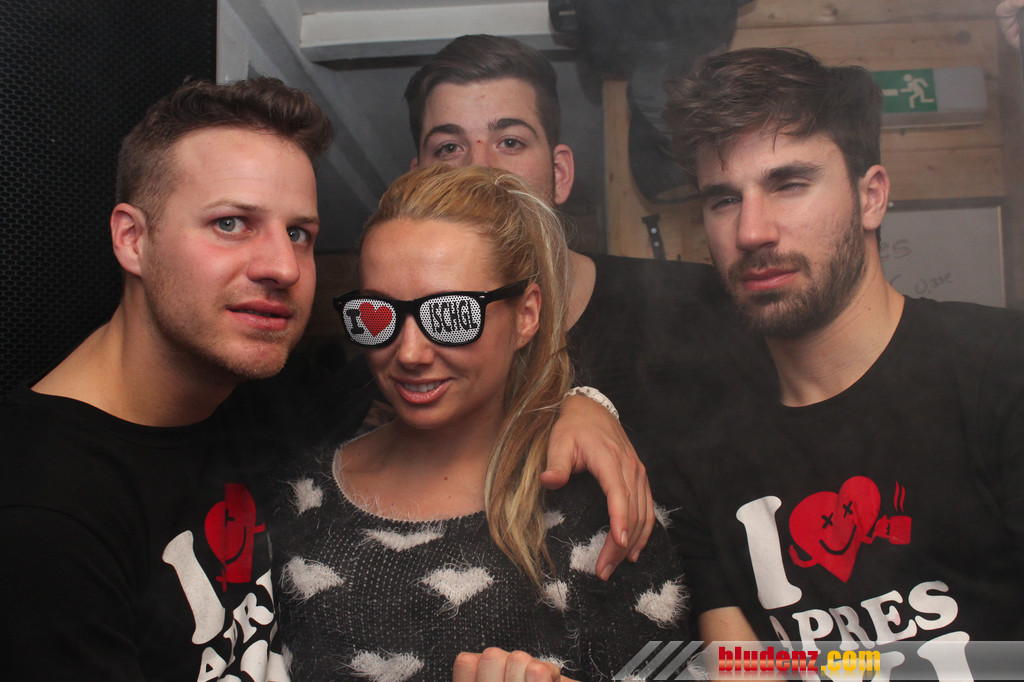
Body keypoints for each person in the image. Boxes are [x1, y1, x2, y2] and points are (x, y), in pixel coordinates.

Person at [0, 77, 641, 682]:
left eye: (299, 232)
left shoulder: (255, 397)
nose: (282, 266)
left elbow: (439, 376)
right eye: (231, 223)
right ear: (132, 239)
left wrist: (577, 403)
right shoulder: (43, 515)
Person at [662, 46, 1024, 673]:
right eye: (723, 199)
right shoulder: (701, 449)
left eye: (789, 184)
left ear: (871, 197)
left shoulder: (1002, 371)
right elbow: (738, 665)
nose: (752, 231)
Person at [273, 163, 690, 681]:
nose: (409, 353)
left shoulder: (597, 507)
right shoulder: (302, 500)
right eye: (378, 315)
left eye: (450, 315)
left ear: (527, 315)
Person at [403, 34, 772, 548]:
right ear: (418, 184)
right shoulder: (403, 354)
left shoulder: (700, 305)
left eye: (510, 142)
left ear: (559, 175)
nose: (480, 170)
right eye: (449, 148)